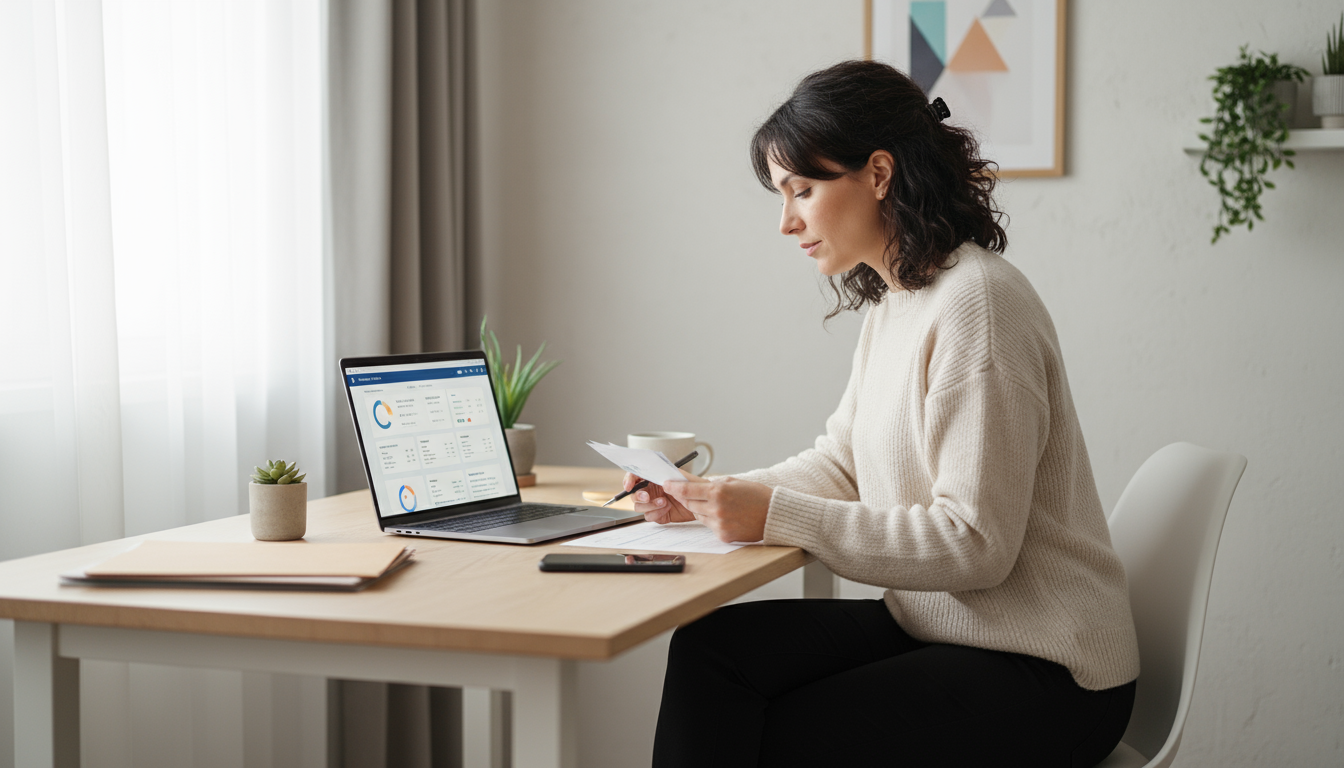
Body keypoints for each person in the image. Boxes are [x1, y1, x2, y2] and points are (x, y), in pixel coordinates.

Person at [622, 60, 1141, 767]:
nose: (786, 222)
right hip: (945, 627)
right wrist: (709, 500)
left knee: (778, 737)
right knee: (711, 654)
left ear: (878, 174)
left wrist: (770, 514)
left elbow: (975, 544)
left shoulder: (977, 307)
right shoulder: (900, 299)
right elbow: (842, 463)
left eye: (802, 190)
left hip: (1048, 669)